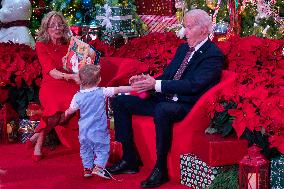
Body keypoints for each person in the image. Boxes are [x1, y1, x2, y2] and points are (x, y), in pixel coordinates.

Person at [107, 9, 225, 188]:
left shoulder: (213, 54)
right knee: (120, 101)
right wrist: (147, 81)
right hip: (165, 98)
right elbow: (169, 75)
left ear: (204, 29)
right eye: (185, 27)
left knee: (163, 109)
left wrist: (155, 85)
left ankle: (160, 168)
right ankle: (129, 158)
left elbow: (193, 85)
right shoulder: (183, 48)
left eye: (189, 27)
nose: (184, 32)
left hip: (186, 104)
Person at [26, 11, 80, 161]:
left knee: (72, 106)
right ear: (46, 28)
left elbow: (77, 64)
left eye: (60, 24)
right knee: (54, 108)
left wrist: (81, 65)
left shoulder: (70, 43)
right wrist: (71, 76)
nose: (57, 28)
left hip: (70, 83)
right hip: (51, 84)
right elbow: (52, 72)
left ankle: (38, 135)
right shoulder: (41, 45)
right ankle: (39, 143)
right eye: (53, 25)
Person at [63, 64, 133, 178]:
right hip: (99, 129)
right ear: (99, 79)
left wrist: (65, 113)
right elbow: (119, 89)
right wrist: (134, 87)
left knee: (86, 149)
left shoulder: (77, 96)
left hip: (84, 131)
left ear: (80, 80)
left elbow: (70, 110)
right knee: (103, 148)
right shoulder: (102, 91)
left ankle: (87, 168)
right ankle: (99, 167)